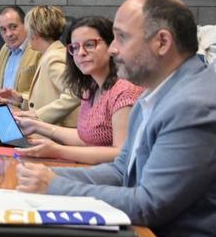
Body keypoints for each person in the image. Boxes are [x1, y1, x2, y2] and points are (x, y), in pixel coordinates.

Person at [16, 0, 216, 237]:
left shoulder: (194, 105)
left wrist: (55, 185)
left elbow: (150, 204)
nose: (113, 48)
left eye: (122, 37)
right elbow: (122, 168)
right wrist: (46, 174)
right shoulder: (156, 93)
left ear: (162, 42)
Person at [14, 16, 143, 164]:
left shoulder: (124, 90)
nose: (80, 53)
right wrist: (36, 126)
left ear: (111, 45)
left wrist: (58, 150)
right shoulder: (91, 88)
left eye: (89, 44)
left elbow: (121, 153)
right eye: (74, 47)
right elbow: (86, 138)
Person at [0, 5, 80, 126]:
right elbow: (48, 98)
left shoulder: (54, 57)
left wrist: (38, 115)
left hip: (57, 134)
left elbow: (76, 93)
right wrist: (20, 99)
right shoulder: (49, 54)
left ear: (35, 33)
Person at [0, 5, 41, 100]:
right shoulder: (5, 49)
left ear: (26, 25)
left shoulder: (37, 51)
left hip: (24, 111)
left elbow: (43, 92)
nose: (8, 34)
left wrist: (20, 98)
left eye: (13, 27)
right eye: (3, 29)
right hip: (3, 108)